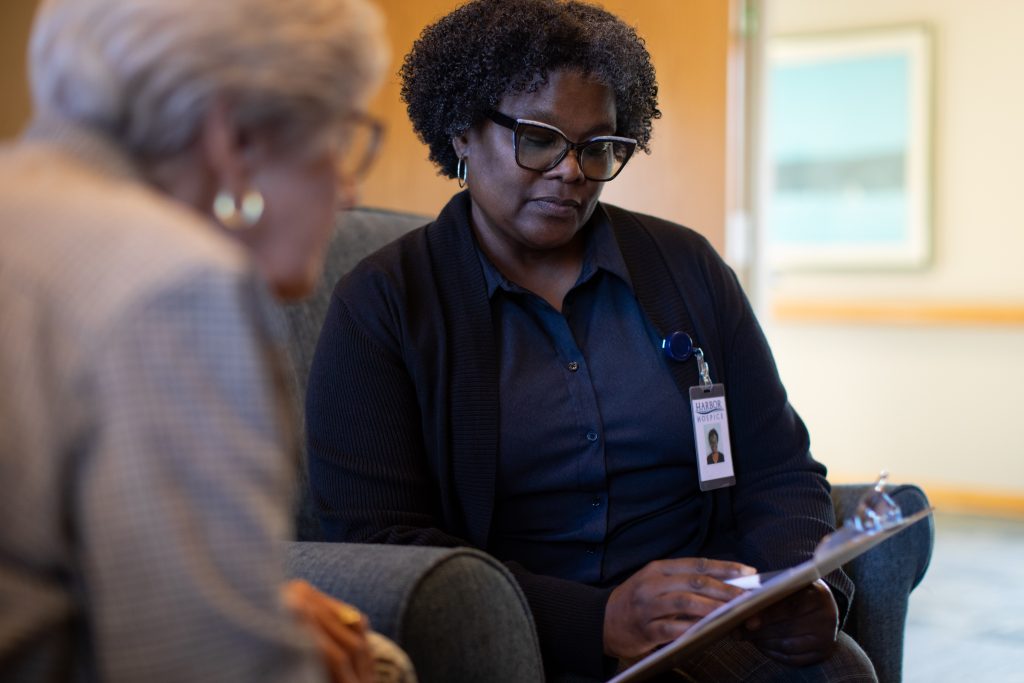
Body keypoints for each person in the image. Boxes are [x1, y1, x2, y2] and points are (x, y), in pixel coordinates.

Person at [305, 0, 876, 680]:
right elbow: (379, 540)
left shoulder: (684, 267)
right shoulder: (385, 304)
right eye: (539, 139)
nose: (572, 171)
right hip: (524, 639)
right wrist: (596, 619)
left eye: (600, 148)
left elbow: (778, 465)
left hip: (707, 625)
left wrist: (800, 585)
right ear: (461, 131)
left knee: (835, 669)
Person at [0, 0, 412, 681]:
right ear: (234, 141)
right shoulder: (176, 287)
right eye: (341, 136)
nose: (349, 185)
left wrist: (261, 601)